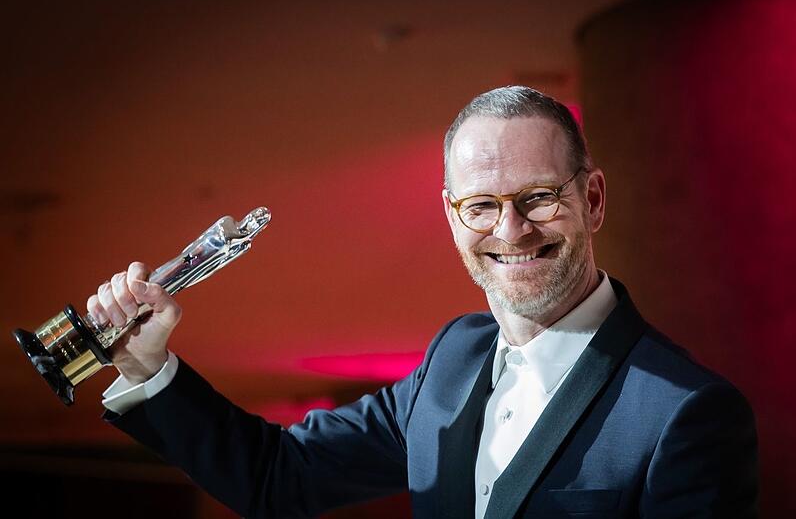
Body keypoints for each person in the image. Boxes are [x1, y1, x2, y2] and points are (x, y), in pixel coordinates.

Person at [89, 86, 759, 518]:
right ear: (450, 216)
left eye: (539, 198)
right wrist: (151, 367)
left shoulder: (686, 412)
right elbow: (279, 479)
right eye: (481, 207)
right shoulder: (451, 359)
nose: (511, 230)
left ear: (593, 200)